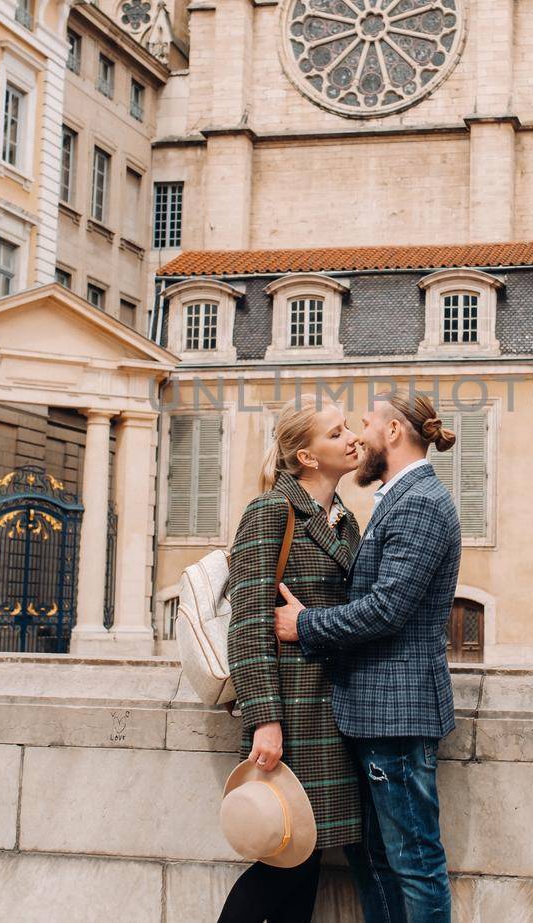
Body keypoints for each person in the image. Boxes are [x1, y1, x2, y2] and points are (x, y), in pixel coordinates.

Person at [275, 392, 462, 923]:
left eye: (368, 423)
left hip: (396, 715)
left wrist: (303, 624)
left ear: (395, 431)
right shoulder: (394, 500)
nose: (360, 433)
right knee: (378, 860)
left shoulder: (421, 502)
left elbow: (386, 610)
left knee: (416, 862)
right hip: (375, 712)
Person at [219, 404, 364, 923]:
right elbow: (249, 621)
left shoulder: (344, 521)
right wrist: (266, 720)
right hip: (294, 712)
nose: (353, 436)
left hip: (335, 710)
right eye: (337, 432)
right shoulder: (271, 511)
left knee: (305, 857)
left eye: (348, 427)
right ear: (306, 456)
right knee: (281, 856)